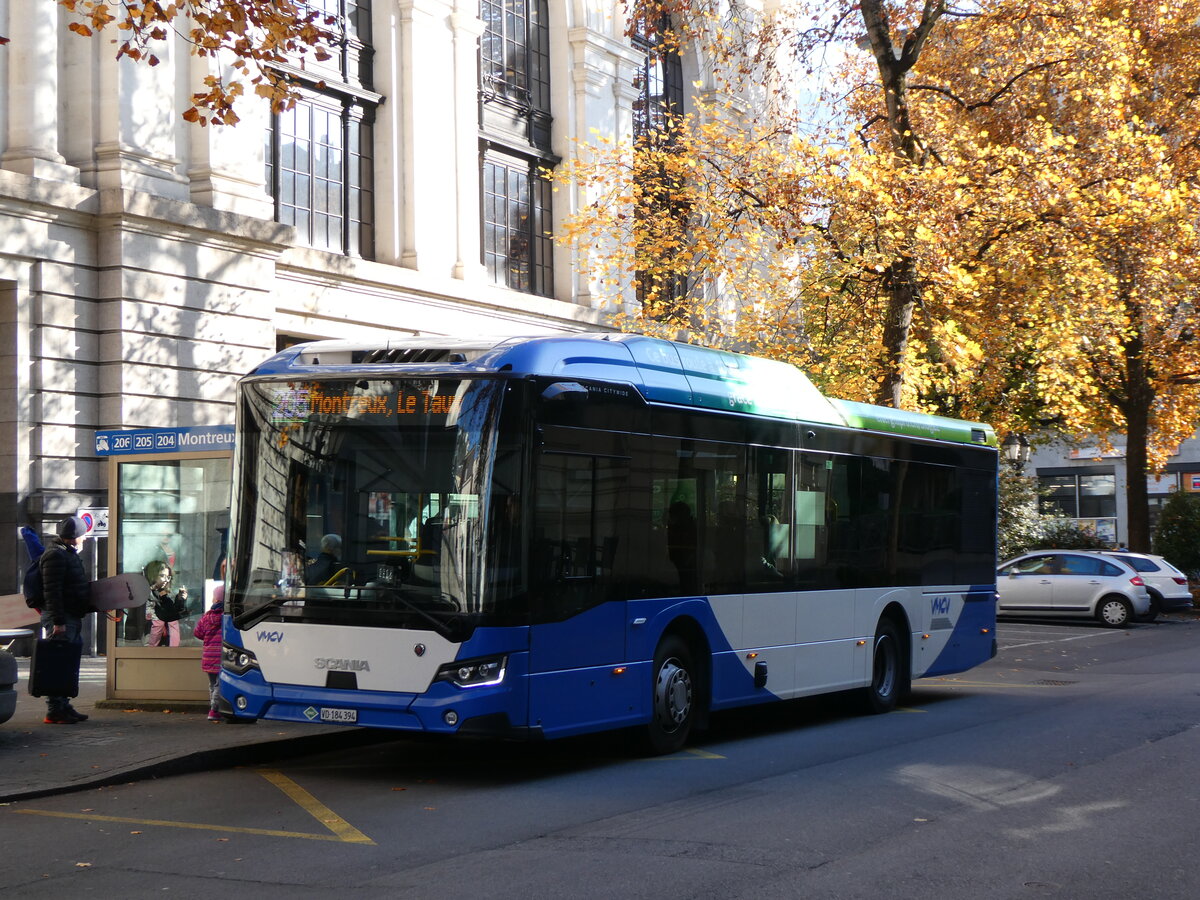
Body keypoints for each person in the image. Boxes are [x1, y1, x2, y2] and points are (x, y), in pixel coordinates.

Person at [38, 515, 92, 725]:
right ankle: (54, 710)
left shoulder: (66, 553)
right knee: (59, 663)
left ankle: (63, 705)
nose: (85, 539)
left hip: (69, 615)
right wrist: (58, 622)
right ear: (74, 536)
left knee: (67, 662)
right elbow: (52, 592)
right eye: (82, 535)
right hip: (61, 618)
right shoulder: (56, 556)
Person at [192, 583, 225, 722]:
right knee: (219, 685)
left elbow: (197, 633)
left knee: (212, 684)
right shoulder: (226, 617)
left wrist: (208, 637)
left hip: (208, 656)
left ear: (215, 599)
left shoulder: (206, 617)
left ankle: (214, 707)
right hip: (221, 657)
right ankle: (214, 710)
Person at [145, 560, 188, 647]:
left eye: (168, 577)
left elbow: (174, 609)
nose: (166, 580)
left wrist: (180, 599)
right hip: (154, 619)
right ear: (153, 575)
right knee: (158, 623)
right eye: (162, 576)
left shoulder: (166, 591)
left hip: (164, 618)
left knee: (173, 622)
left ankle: (173, 648)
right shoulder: (148, 591)